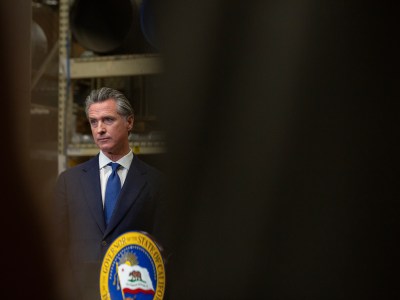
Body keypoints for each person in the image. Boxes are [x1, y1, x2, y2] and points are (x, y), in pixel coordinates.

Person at [52, 87, 166, 300]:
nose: (99, 129)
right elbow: (56, 249)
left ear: (129, 122)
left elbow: (164, 252)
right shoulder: (70, 181)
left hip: (132, 294)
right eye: (94, 122)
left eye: (108, 120)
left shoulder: (155, 183)